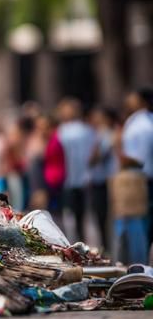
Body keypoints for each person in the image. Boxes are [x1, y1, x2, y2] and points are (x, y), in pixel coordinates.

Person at [57, 97, 95, 242]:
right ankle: (80, 243)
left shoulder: (63, 131)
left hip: (72, 179)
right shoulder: (86, 130)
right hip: (78, 179)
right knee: (80, 217)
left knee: (73, 216)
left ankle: (76, 243)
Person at [120, 87, 153, 243]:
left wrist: (120, 156)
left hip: (142, 181)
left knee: (144, 228)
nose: (128, 100)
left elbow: (137, 158)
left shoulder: (141, 124)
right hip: (145, 178)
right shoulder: (142, 120)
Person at [88, 105, 118, 251]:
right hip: (100, 180)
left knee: (103, 216)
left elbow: (96, 157)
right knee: (100, 217)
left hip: (104, 181)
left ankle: (107, 248)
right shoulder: (100, 133)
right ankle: (106, 246)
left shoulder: (107, 134)